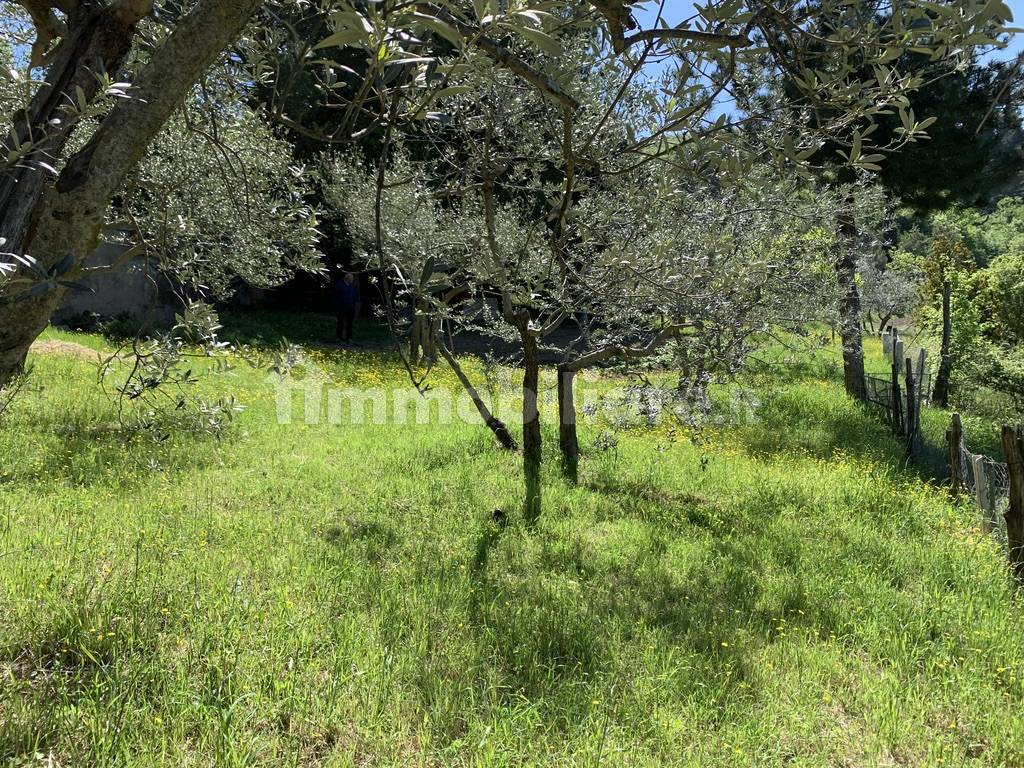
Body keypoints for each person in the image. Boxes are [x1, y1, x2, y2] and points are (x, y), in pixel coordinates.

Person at [333, 272, 360, 343]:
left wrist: (355, 305)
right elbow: (335, 297)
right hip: (341, 308)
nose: (353, 279)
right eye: (351, 278)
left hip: (350, 308)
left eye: (353, 278)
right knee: (340, 323)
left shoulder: (352, 286)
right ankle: (338, 337)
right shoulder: (339, 285)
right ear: (347, 278)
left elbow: (355, 296)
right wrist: (337, 306)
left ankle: (349, 338)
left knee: (350, 324)